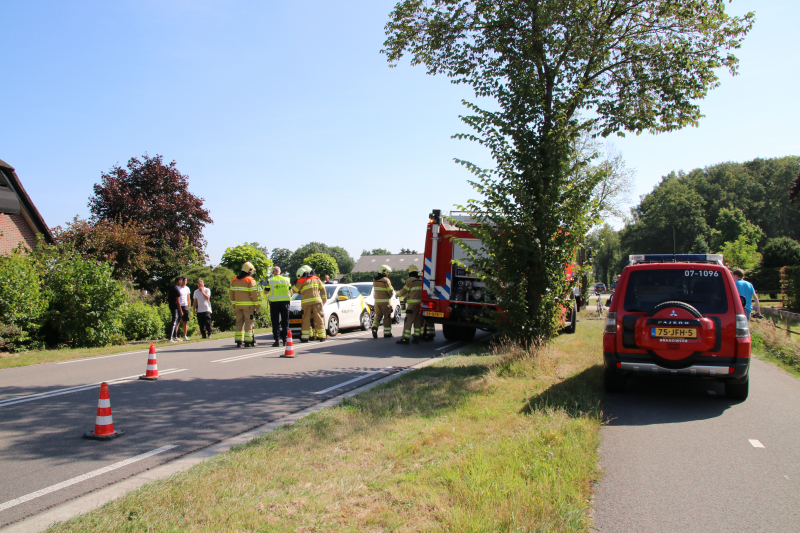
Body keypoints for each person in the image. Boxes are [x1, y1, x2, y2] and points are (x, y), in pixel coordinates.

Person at [292, 265, 327, 342]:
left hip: (306, 303)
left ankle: (305, 337)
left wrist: (299, 290)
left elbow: (294, 290)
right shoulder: (317, 279)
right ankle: (322, 336)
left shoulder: (301, 280)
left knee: (306, 319)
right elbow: (323, 289)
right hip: (317, 302)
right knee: (318, 318)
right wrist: (324, 300)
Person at [229, 262, 260, 347]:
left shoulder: (234, 280)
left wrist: (234, 304)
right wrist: (257, 305)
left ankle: (239, 342)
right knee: (249, 323)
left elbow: (231, 294)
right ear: (249, 270)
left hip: (238, 306)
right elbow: (254, 294)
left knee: (239, 322)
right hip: (248, 307)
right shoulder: (250, 280)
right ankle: (249, 342)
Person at [395, 264, 424, 344]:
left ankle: (405, 338)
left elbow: (404, 290)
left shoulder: (410, 280)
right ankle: (416, 337)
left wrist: (397, 295)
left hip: (412, 305)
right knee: (417, 321)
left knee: (408, 321)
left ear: (410, 272)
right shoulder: (420, 280)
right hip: (420, 304)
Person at [264, 265, 291, 347]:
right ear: (280, 271)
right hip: (285, 303)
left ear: (273, 272)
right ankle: (285, 340)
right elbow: (291, 290)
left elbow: (265, 292)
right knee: (285, 322)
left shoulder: (270, 280)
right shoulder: (286, 279)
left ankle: (277, 340)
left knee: (275, 322)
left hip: (274, 303)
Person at [371, 265, 394, 339]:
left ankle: (374, 327)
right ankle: (387, 333)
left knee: (378, 316)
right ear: (384, 272)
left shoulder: (375, 280)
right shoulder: (386, 280)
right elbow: (390, 291)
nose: (388, 273)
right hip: (385, 303)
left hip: (377, 302)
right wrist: (391, 295)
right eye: (387, 272)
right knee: (387, 317)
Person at [166, 276, 183, 342]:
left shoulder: (171, 287)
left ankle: (175, 336)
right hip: (175, 307)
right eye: (181, 281)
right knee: (174, 321)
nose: (181, 283)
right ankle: (170, 338)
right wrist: (181, 311)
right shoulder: (176, 289)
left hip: (171, 305)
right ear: (178, 281)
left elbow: (167, 295)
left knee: (175, 322)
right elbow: (178, 302)